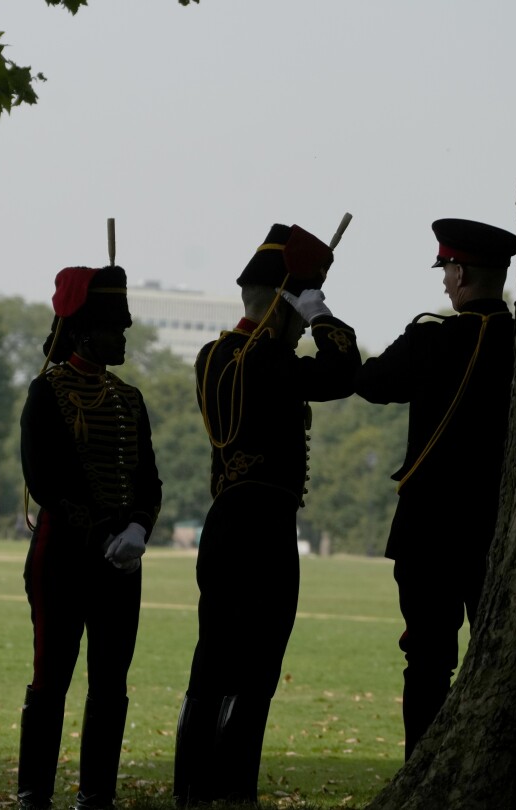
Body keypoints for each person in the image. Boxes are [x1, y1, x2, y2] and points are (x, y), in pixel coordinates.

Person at [174, 224, 358, 806]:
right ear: (284, 302)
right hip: (264, 529)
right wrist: (323, 314)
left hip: (223, 524)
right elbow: (342, 371)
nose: (304, 324)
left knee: (212, 660)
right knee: (255, 669)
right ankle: (233, 790)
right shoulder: (272, 360)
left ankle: (191, 788)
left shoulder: (213, 355)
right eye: (298, 308)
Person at [352, 218, 516, 760]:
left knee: (427, 658)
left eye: (447, 269)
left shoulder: (432, 337)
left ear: (462, 270)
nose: (445, 281)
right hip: (499, 524)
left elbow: (372, 384)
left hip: (429, 530)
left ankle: (420, 763)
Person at [16, 265, 163, 810]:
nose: (122, 336)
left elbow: (149, 480)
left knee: (110, 683)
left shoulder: (130, 398)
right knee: (49, 680)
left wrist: (138, 529)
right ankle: (33, 793)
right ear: (83, 330)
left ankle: (96, 793)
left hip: (121, 561)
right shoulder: (46, 392)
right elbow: (45, 478)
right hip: (64, 557)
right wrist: (103, 531)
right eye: (114, 327)